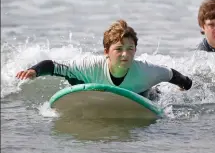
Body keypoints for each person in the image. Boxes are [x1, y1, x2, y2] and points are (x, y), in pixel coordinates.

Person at [16, 19, 192, 98]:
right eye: (119, 49)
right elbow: (53, 66)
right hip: (99, 87)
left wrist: (186, 89)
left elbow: (173, 76)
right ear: (106, 51)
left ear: (135, 50)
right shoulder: (90, 66)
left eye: (130, 49)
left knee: (154, 94)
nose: (125, 54)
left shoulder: (146, 71)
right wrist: (33, 71)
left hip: (141, 94)